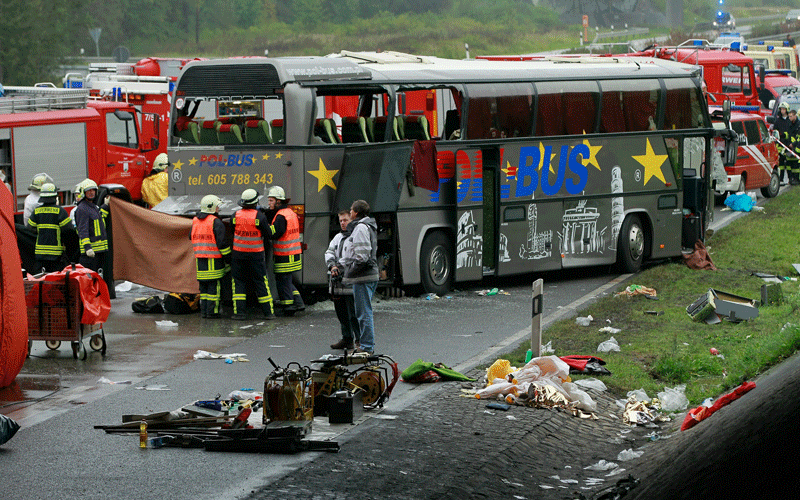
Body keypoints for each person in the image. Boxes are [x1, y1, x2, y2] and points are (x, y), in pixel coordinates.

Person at [341, 199, 379, 354]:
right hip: (365, 276)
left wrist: (351, 269)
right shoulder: (365, 226)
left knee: (363, 313)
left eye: (351, 210)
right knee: (363, 312)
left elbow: (362, 256)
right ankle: (365, 345)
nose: (350, 212)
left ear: (355, 212)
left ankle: (367, 347)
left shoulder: (361, 228)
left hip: (363, 277)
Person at [231, 188, 275, 320]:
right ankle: (268, 313)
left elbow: (233, 230)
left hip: (238, 255)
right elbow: (268, 234)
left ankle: (240, 313)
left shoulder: (235, 215)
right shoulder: (260, 216)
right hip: (256, 255)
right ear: (256, 202)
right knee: (261, 282)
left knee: (239, 283)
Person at [264, 185, 305, 315]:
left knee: (283, 282)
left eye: (271, 200)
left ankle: (288, 308)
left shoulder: (280, 216)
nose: (269, 203)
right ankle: (298, 302)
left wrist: (263, 226)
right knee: (287, 280)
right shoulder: (289, 213)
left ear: (278, 201)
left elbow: (274, 233)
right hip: (293, 253)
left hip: (284, 254)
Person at [191, 195, 230, 318]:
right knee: (214, 288)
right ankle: (213, 312)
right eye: (217, 206)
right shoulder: (215, 222)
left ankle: (204, 312)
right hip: (214, 261)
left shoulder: (195, 221)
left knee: (204, 289)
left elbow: (190, 236)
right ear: (212, 207)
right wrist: (229, 258)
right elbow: (222, 243)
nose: (218, 208)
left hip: (200, 262)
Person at [326, 210, 359, 350]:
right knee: (341, 314)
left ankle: (359, 340)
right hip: (338, 284)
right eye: (341, 221)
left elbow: (353, 258)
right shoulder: (338, 237)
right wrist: (332, 265)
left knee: (354, 314)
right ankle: (347, 339)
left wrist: (339, 267)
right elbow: (329, 252)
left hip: (350, 282)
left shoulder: (356, 236)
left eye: (345, 220)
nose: (343, 223)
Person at [27, 183, 74, 273]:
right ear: (55, 196)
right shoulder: (60, 211)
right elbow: (68, 230)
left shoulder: (36, 211)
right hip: (56, 256)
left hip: (40, 256)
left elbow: (30, 229)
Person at [73, 178, 109, 273]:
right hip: (90, 254)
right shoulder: (82, 209)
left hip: (99, 251)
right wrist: (88, 248)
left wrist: (105, 206)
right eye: (88, 190)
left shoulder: (92, 207)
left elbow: (99, 222)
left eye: (93, 190)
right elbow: (82, 230)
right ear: (83, 192)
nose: (91, 192)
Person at [774, 102, 792, 185]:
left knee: (789, 164)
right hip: (780, 145)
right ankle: (780, 180)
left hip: (789, 145)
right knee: (780, 164)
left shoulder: (790, 120)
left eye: (784, 109)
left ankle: (790, 179)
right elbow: (775, 132)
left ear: (787, 110)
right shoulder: (778, 121)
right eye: (781, 109)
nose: (782, 111)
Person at [787, 109, 800, 185]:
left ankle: (796, 179)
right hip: (790, 146)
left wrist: (793, 144)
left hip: (796, 146)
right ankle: (791, 178)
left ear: (795, 116)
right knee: (788, 162)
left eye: (791, 116)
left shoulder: (798, 124)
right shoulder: (789, 123)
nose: (789, 118)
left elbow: (798, 137)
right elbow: (788, 134)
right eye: (789, 116)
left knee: (796, 165)